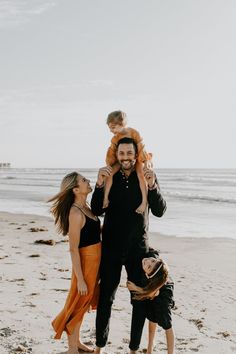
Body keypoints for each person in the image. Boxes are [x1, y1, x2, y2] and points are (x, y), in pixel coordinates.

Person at [91, 137, 167, 354]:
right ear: (117, 155)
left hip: (138, 251)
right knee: (106, 298)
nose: (125, 157)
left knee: (139, 301)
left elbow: (160, 210)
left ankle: (134, 348)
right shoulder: (109, 177)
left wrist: (153, 187)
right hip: (112, 248)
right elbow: (96, 210)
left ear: (135, 154)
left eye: (129, 153)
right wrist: (98, 184)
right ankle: (100, 346)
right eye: (121, 153)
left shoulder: (146, 177)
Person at [49, 172, 101, 354]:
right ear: (76, 189)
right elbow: (73, 248)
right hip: (85, 264)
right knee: (78, 303)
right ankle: (72, 348)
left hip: (95, 263)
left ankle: (76, 342)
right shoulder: (75, 212)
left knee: (84, 304)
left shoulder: (86, 206)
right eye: (84, 180)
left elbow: (92, 232)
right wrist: (80, 278)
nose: (88, 181)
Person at [127, 248, 175, 354]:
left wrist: (136, 288)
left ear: (149, 274)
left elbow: (150, 292)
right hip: (156, 282)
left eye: (149, 266)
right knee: (152, 317)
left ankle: (171, 352)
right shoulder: (153, 260)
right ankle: (150, 348)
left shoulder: (161, 299)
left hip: (162, 295)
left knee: (166, 324)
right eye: (152, 261)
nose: (148, 261)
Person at [104, 110, 152, 214]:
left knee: (141, 173)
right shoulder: (115, 139)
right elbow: (112, 152)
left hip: (137, 157)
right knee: (110, 172)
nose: (111, 131)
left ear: (121, 124)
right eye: (109, 128)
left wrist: (145, 161)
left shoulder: (134, 133)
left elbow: (141, 147)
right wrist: (109, 164)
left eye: (113, 127)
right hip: (121, 160)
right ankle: (105, 197)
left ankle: (144, 201)